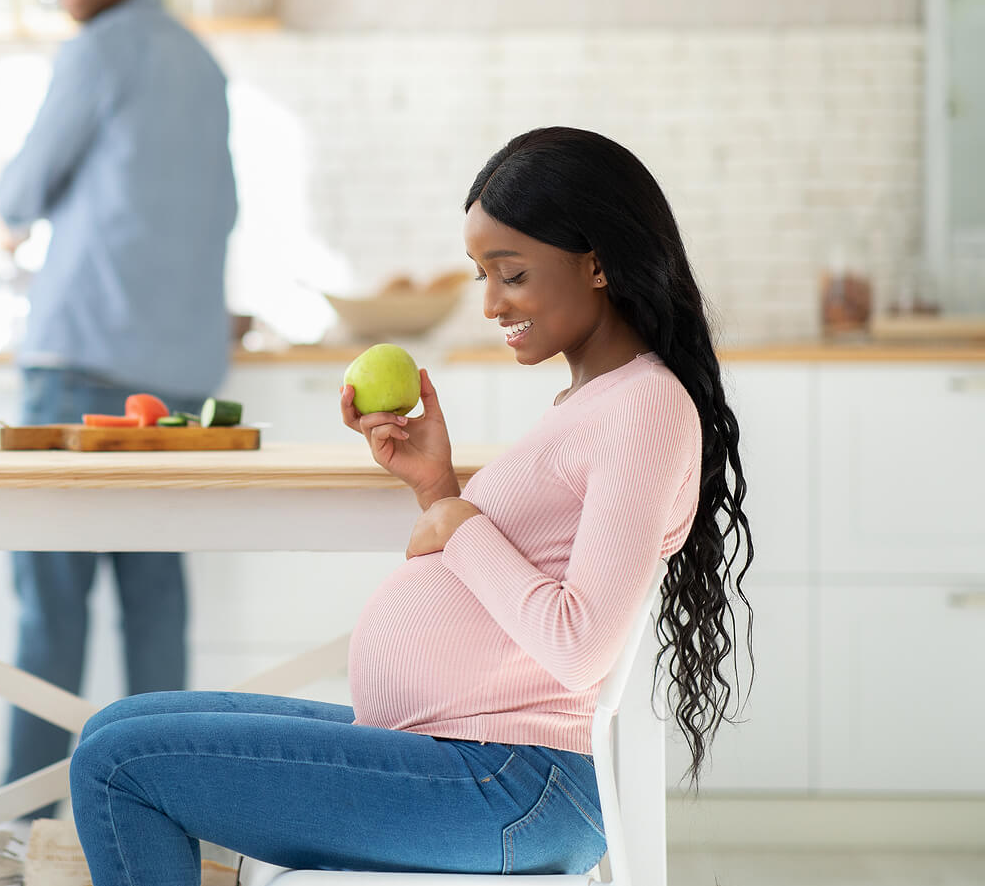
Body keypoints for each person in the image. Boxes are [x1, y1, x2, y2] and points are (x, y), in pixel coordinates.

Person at [68, 127, 754, 881]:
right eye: (481, 276)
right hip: (469, 762)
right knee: (119, 726)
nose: (491, 303)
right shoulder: (593, 401)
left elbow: (579, 642)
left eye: (512, 273)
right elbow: (505, 575)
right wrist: (437, 488)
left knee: (118, 764)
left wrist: (460, 522)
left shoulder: (645, 407)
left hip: (512, 785)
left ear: (596, 262)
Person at [0, 0, 238, 816]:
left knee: (49, 611)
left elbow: (20, 192)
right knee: (156, 614)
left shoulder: (98, 50)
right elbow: (222, 210)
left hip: (78, 374)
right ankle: (162, 821)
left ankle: (20, 830)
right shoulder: (203, 63)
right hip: (176, 389)